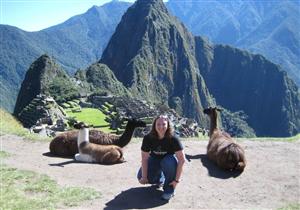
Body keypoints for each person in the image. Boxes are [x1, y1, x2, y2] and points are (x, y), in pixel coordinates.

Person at [137, 115, 185, 201]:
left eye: (164, 124)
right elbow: (144, 158)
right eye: (158, 124)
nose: (161, 127)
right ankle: (160, 179)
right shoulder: (148, 138)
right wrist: (144, 177)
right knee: (140, 176)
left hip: (168, 160)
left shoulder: (173, 138)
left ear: (168, 125)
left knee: (168, 162)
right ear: (154, 125)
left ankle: (169, 189)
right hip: (154, 159)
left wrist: (176, 181)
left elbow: (182, 160)